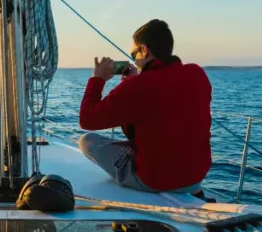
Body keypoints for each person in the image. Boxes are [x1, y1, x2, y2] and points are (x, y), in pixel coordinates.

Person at [78, 19, 212, 194]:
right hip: (195, 181)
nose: (134, 60)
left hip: (153, 181)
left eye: (134, 55)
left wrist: (98, 79)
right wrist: (135, 81)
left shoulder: (139, 85)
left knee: (87, 141)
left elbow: (87, 119)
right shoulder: (197, 73)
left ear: (144, 50)